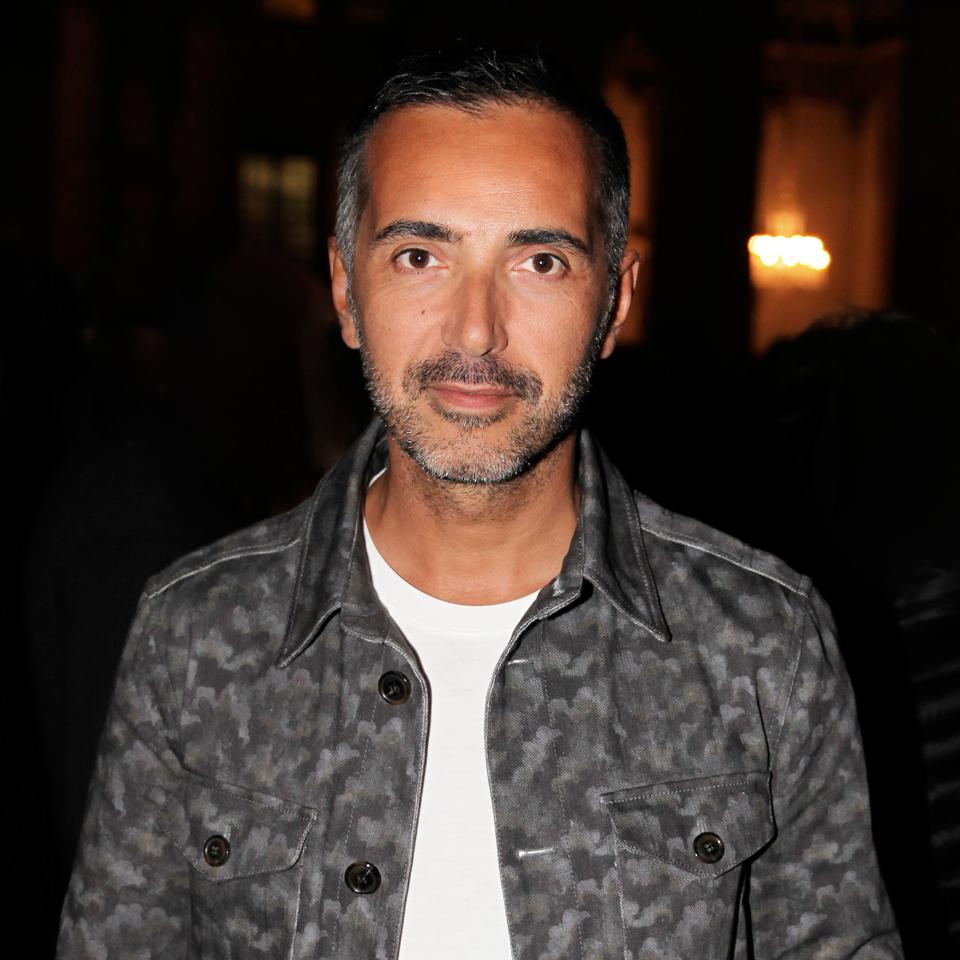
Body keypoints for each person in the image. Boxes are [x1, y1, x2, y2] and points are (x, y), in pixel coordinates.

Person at [58, 47, 902, 959]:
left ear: (615, 303)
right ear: (345, 288)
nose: (476, 331)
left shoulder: (763, 646)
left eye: (539, 261)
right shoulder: (193, 636)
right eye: (420, 256)